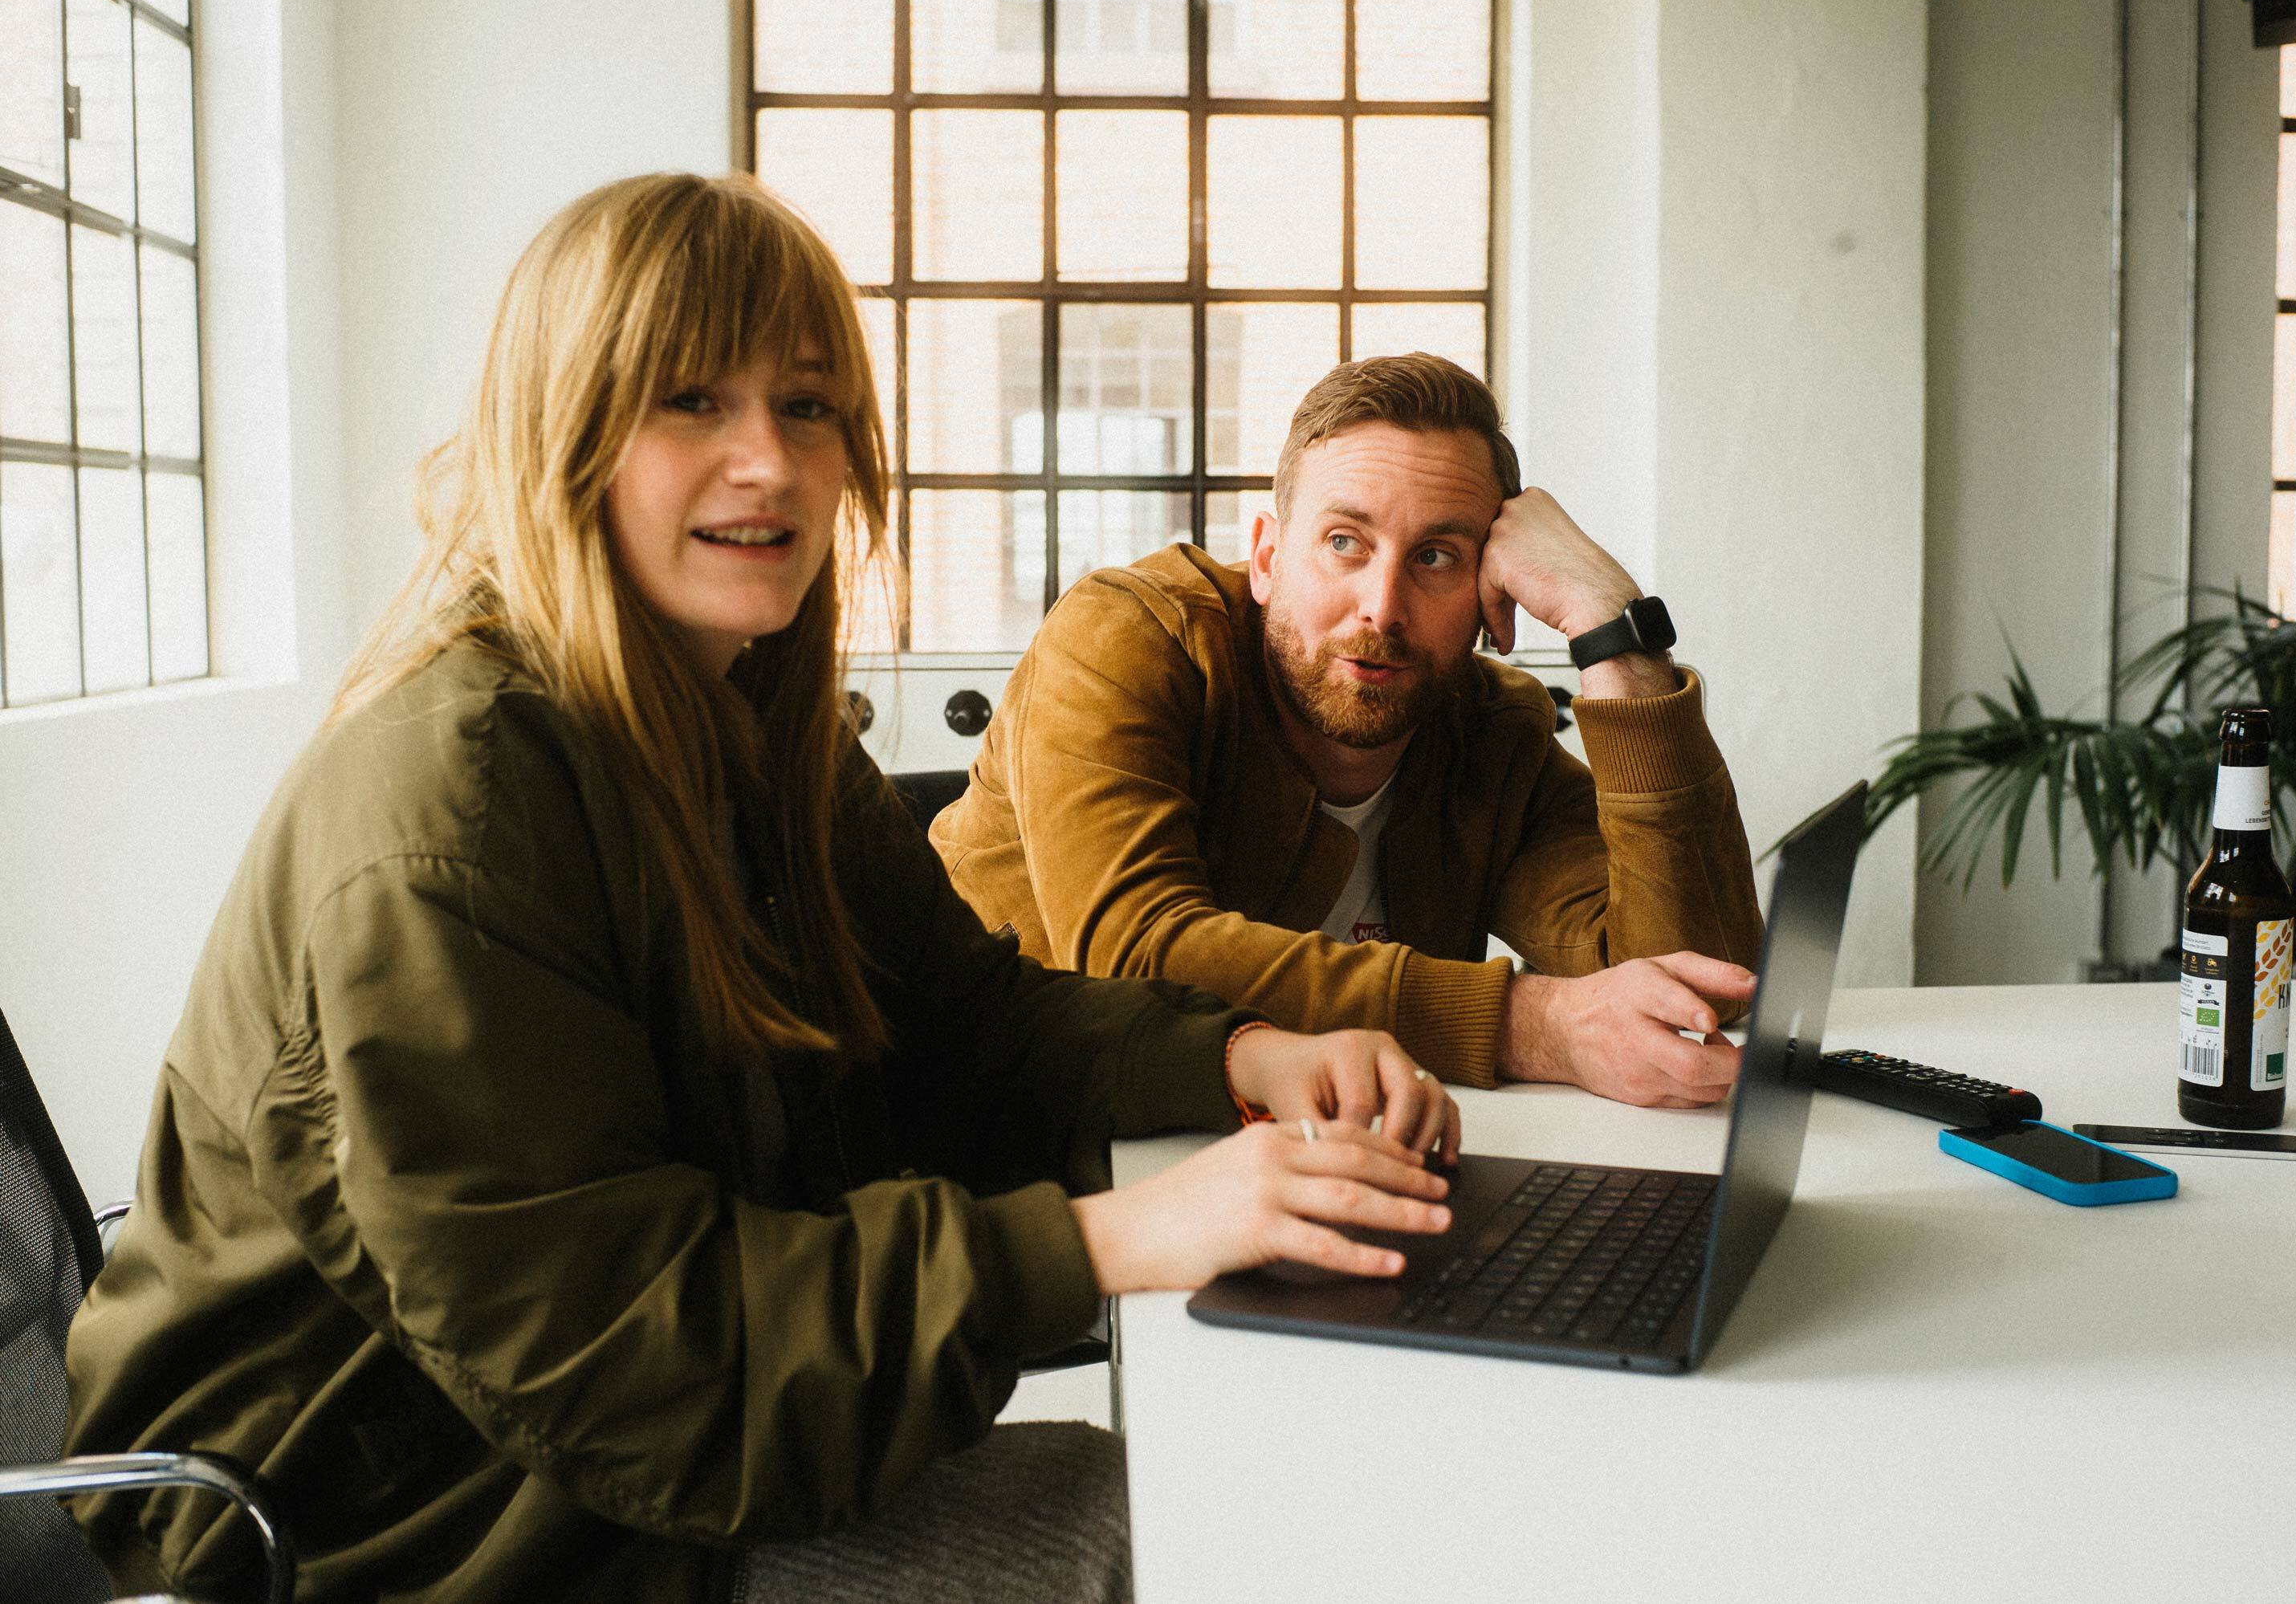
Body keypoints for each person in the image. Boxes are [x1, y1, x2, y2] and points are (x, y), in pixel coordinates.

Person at [62, 173, 1459, 1604]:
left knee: (1227, 1493)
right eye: (689, 401)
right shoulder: (459, 806)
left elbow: (969, 1024)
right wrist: (1115, 1235)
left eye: (807, 406)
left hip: (587, 1436)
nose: (770, 464)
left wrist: (1237, 1052)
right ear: (566, 428)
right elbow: (618, 1348)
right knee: (1167, 1541)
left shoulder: (750, 719)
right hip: (391, 1514)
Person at [930, 355, 1765, 1109]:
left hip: (1315, 1165)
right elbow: (1138, 957)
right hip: (1003, 1137)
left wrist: (1612, 630)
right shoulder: (1126, 639)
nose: (1382, 606)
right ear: (1265, 558)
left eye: (1437, 556)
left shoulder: (1487, 730)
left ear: (1492, 595)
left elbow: (1698, 986)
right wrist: (1532, 1022)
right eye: (1343, 542)